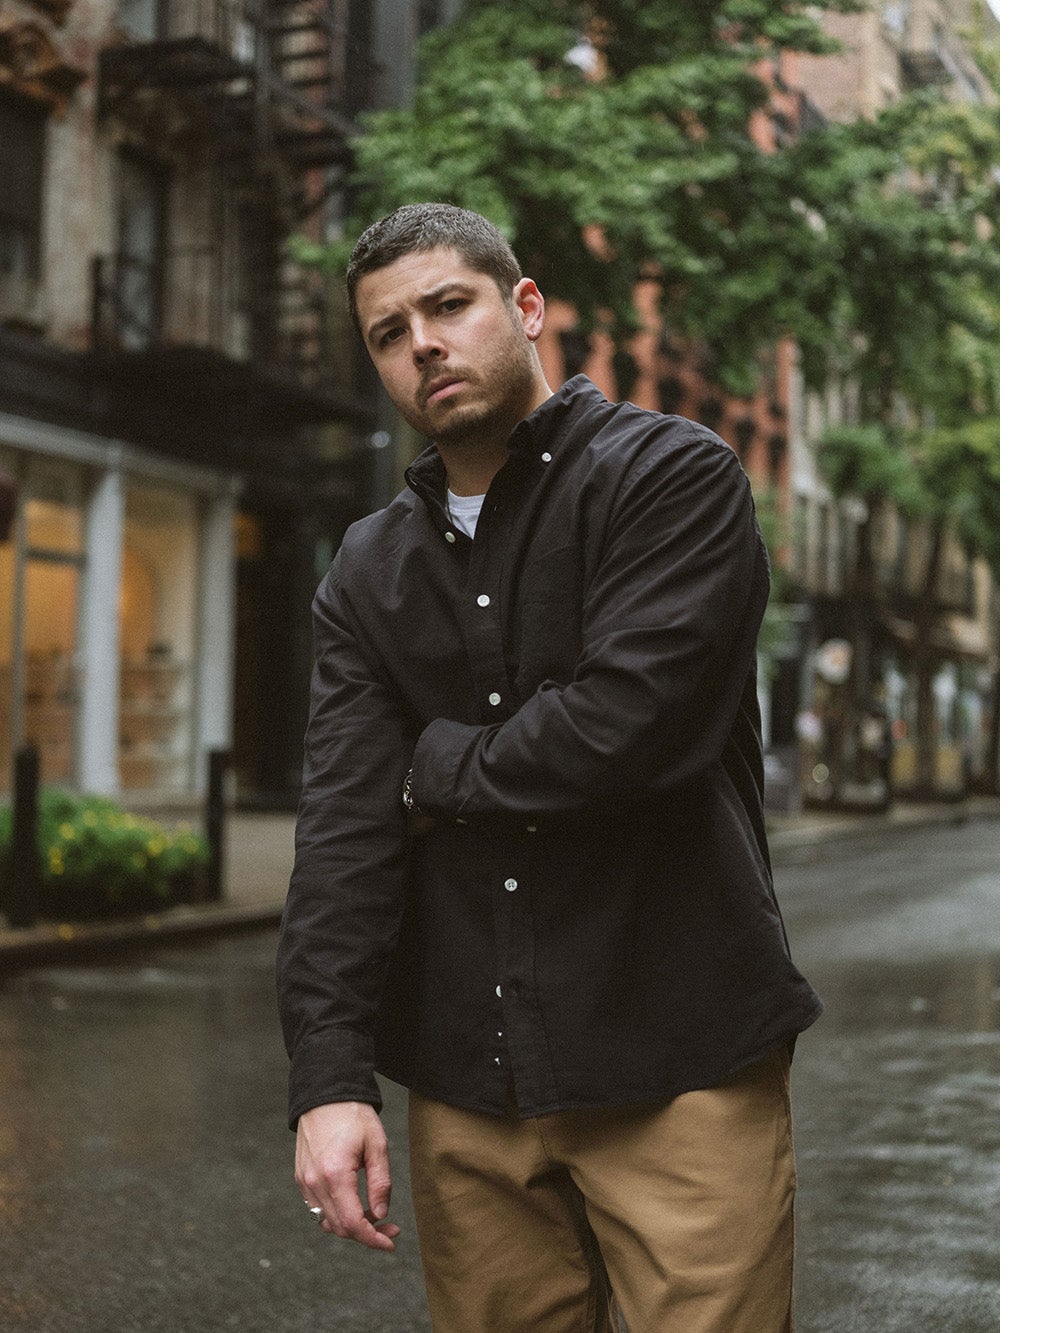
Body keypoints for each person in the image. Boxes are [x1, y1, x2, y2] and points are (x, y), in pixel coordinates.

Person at [277, 203, 822, 1330]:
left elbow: (630, 729)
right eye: (388, 332)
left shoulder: (668, 476)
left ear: (523, 308)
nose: (421, 343)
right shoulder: (369, 568)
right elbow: (343, 830)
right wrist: (329, 1082)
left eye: (447, 305)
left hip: (679, 1061)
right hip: (472, 1089)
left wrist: (430, 769)